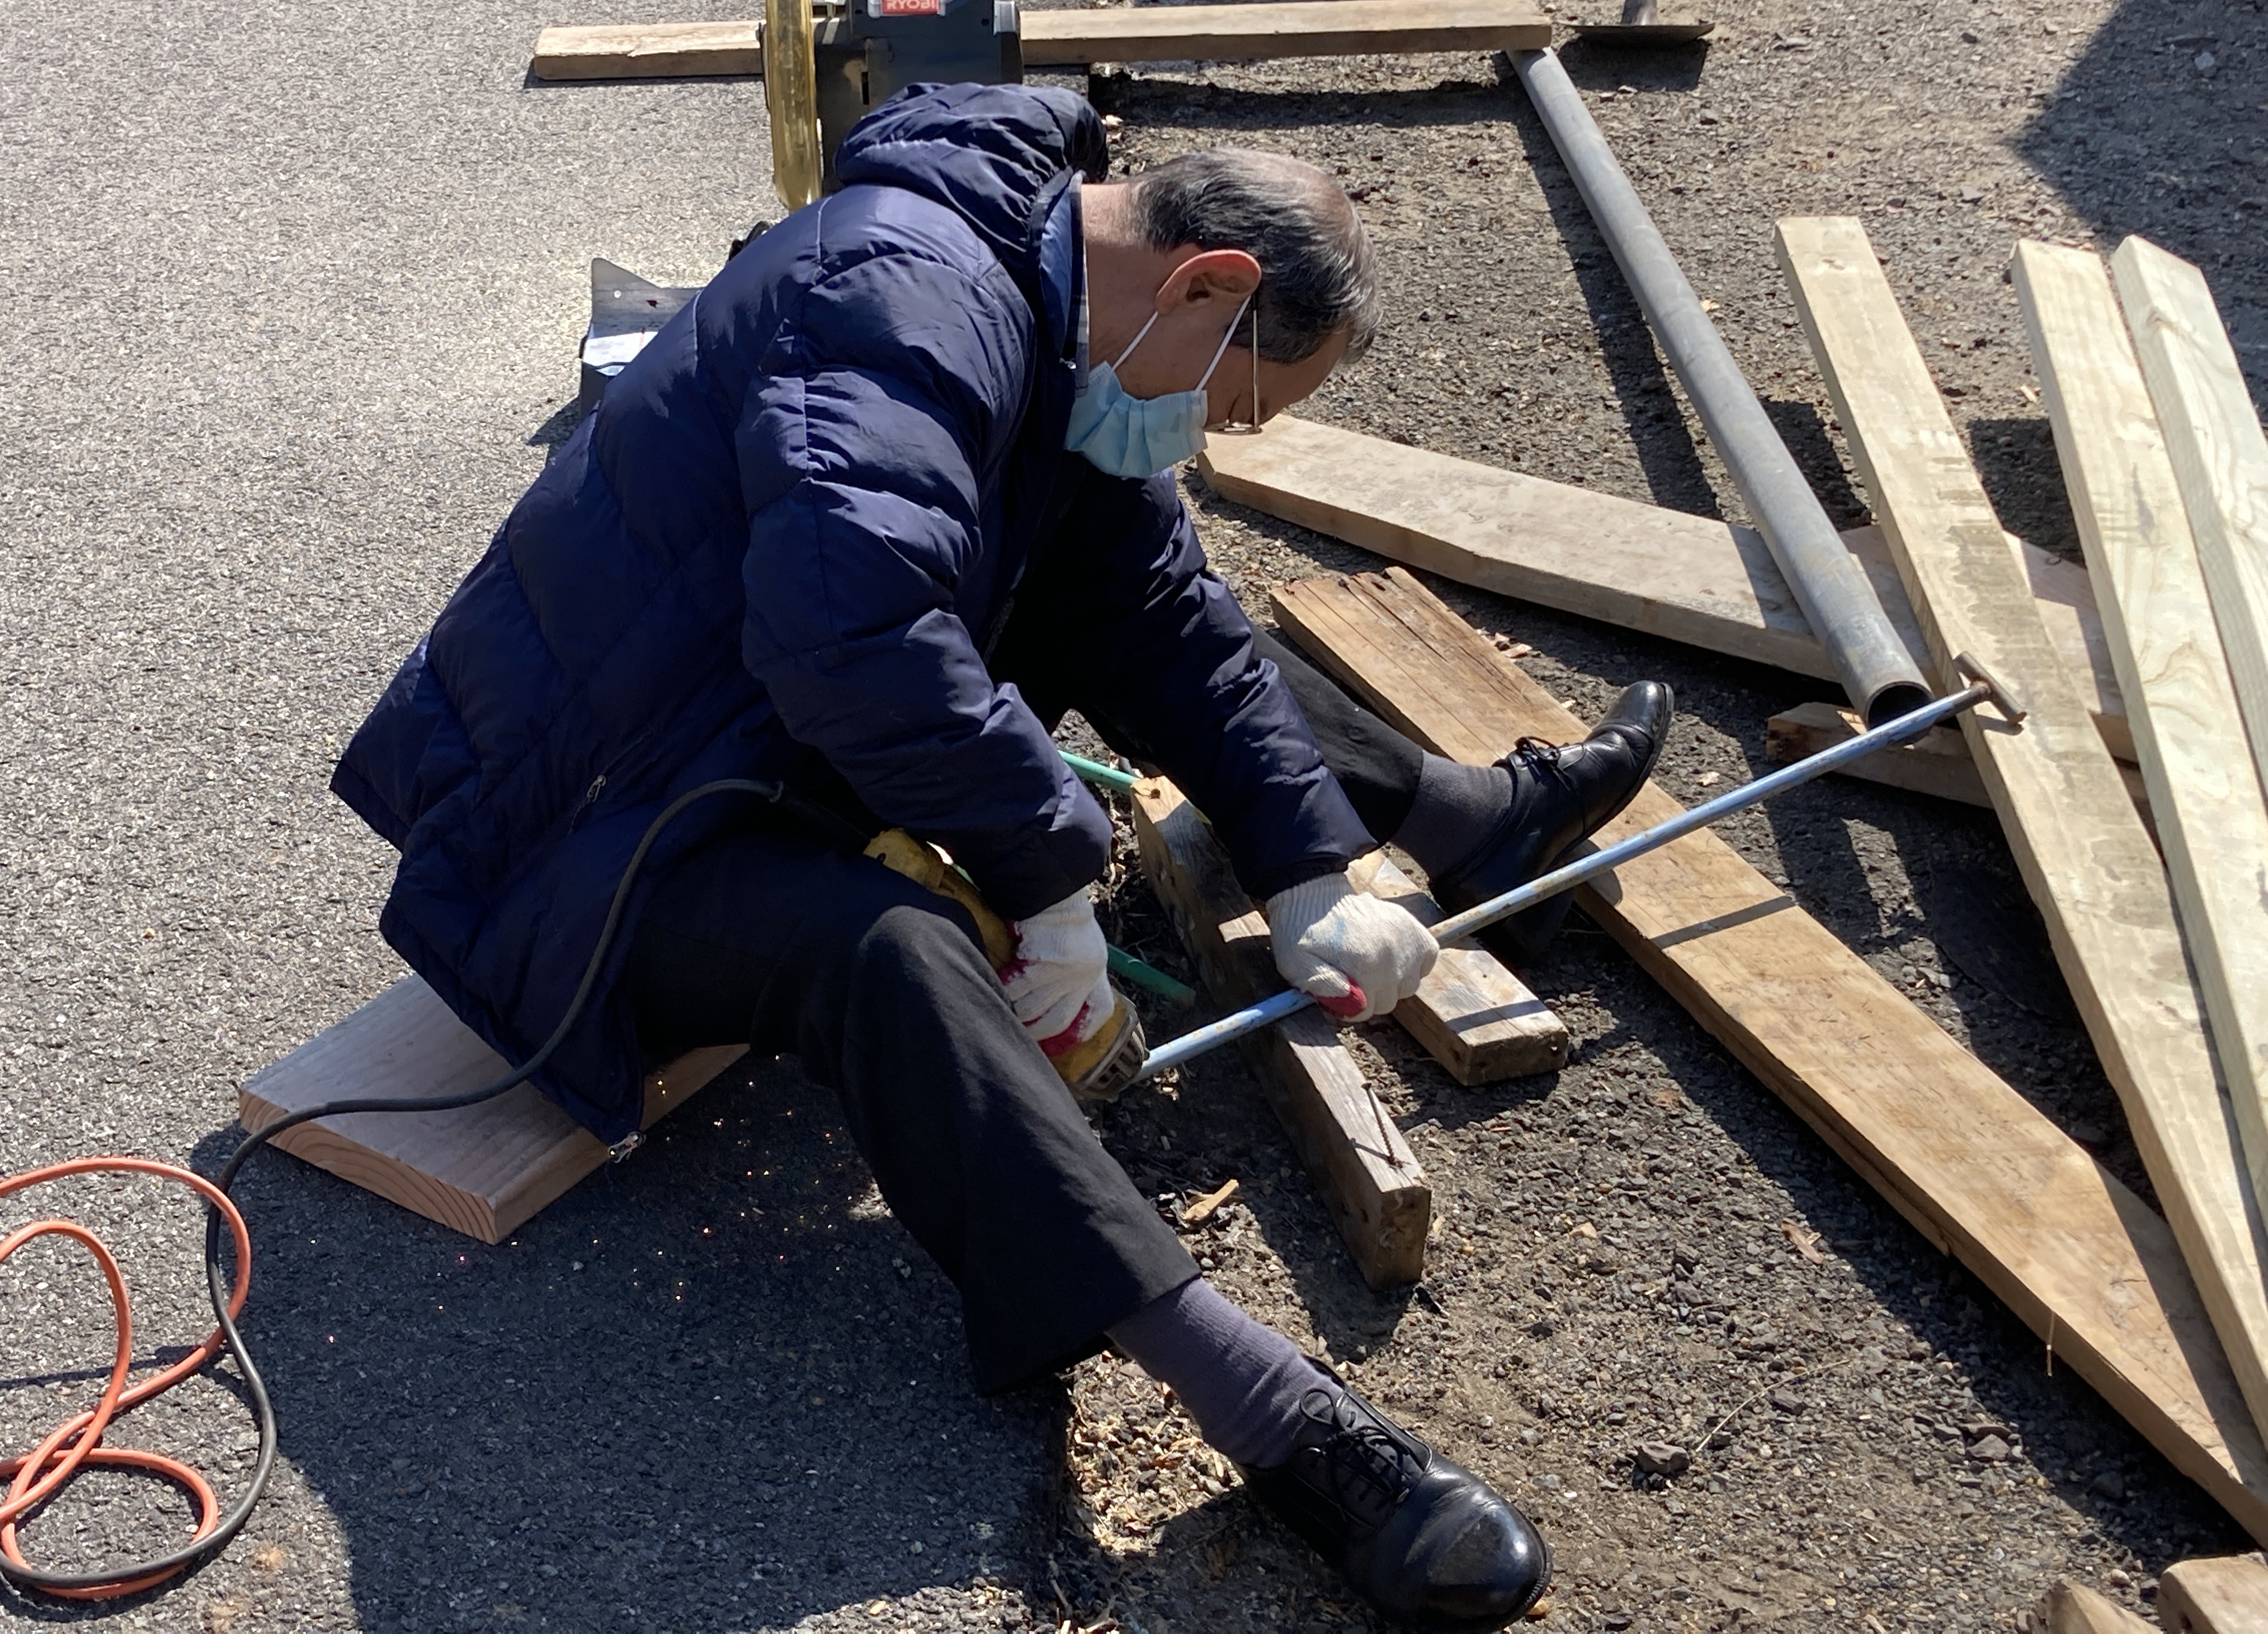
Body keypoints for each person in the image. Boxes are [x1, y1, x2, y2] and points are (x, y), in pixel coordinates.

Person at [332, 83, 1667, 1632]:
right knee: (884, 949)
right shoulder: (894, 300)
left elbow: (1157, 612)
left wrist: (1309, 868)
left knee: (1114, 593)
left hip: (730, 734)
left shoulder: (1047, 305)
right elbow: (853, 640)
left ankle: (1461, 823)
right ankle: (1267, 1409)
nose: (1206, 438)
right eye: (1232, 405)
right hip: (579, 838)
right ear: (1206, 285)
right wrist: (1046, 883)